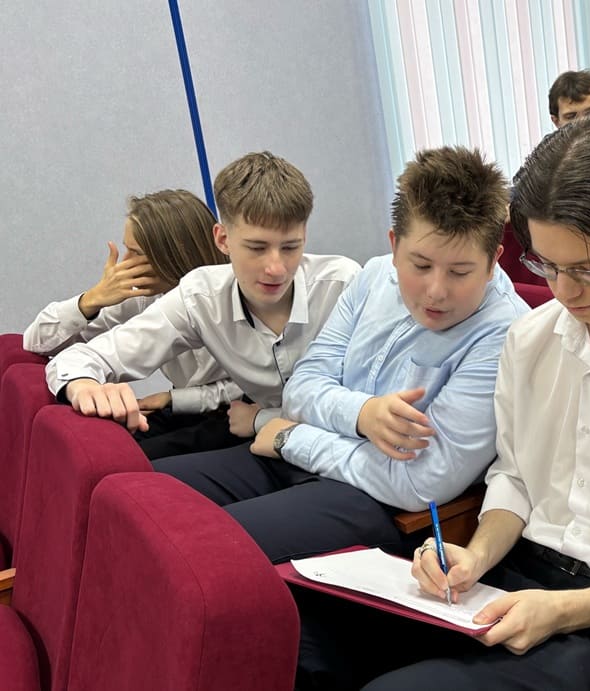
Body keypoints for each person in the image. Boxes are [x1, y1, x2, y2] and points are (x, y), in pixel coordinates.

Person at [291, 110, 590, 690]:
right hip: (515, 576)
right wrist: (475, 557)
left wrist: (562, 610)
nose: (563, 291)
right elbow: (515, 478)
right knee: (300, 637)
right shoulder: (530, 339)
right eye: (547, 265)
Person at [153, 146, 530, 569]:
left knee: (196, 547)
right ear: (394, 246)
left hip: (378, 499)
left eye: (460, 272)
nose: (436, 291)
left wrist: (290, 438)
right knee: (145, 497)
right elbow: (302, 387)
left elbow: (421, 481)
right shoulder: (374, 276)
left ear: (494, 261)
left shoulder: (506, 331)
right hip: (311, 457)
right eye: (420, 265)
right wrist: (362, 414)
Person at [44, 151, 360, 456]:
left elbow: (370, 401)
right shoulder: (199, 295)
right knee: (127, 471)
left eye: (291, 247)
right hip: (268, 439)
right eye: (257, 248)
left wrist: (258, 419)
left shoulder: (345, 284)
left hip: (336, 444)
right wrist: (84, 385)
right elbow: (76, 357)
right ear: (222, 239)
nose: (276, 268)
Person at [24, 189, 244, 458]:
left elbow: (256, 387)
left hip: (236, 416)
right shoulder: (143, 296)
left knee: (131, 460)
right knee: (93, 452)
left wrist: (177, 399)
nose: (124, 264)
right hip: (184, 408)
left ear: (173, 256)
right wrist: (91, 300)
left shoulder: (236, 295)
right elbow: (35, 342)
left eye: (135, 252)